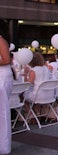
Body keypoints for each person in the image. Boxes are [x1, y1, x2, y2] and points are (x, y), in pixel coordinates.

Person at [0, 21, 13, 154]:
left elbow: (6, 59)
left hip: (2, 78)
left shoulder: (1, 40)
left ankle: (3, 146)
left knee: (2, 112)